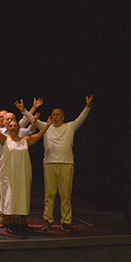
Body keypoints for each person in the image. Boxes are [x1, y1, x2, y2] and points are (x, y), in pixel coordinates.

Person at [21, 96, 93, 232]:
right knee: (49, 194)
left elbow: (81, 118)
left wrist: (87, 107)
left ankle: (66, 221)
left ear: (63, 117)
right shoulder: (46, 126)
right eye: (53, 115)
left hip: (66, 164)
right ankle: (47, 220)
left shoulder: (70, 127)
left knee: (65, 195)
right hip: (49, 164)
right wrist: (24, 110)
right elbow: (32, 119)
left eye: (57, 115)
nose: (55, 117)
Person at [0, 110, 52, 237]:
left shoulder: (25, 141)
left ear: (19, 128)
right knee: (10, 198)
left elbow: (39, 135)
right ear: (7, 128)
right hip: (9, 175)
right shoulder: (4, 140)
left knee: (22, 198)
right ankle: (11, 224)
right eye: (10, 126)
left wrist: (47, 125)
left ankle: (22, 223)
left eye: (15, 126)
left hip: (22, 175)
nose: (13, 127)